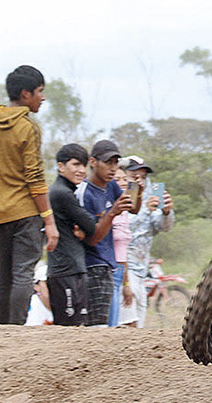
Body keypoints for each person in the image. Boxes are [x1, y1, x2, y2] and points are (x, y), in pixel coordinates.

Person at [0, 65, 57, 325]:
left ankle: (4, 332)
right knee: (23, 273)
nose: (42, 98)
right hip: (25, 213)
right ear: (25, 94)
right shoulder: (27, 127)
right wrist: (48, 218)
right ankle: (17, 331)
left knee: (4, 276)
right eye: (40, 92)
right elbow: (34, 176)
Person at [48, 143, 125, 326]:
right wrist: (111, 213)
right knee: (72, 327)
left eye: (83, 165)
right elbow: (91, 229)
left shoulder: (70, 191)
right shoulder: (62, 193)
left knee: (81, 325)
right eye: (76, 165)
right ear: (60, 166)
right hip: (65, 268)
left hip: (74, 267)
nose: (81, 170)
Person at [79, 140, 138, 327]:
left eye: (115, 163)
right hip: (92, 265)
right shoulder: (84, 192)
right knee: (98, 327)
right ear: (93, 162)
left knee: (109, 326)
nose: (112, 168)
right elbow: (92, 239)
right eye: (108, 163)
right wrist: (112, 212)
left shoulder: (111, 186)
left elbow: (133, 207)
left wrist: (137, 188)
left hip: (109, 265)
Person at [121, 156, 174, 328]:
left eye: (143, 176)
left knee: (140, 315)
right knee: (129, 319)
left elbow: (162, 227)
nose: (139, 180)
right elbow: (124, 228)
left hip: (142, 266)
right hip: (124, 265)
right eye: (134, 176)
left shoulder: (151, 196)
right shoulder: (120, 195)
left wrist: (166, 212)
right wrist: (145, 210)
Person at [110, 167, 135, 327]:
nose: (122, 183)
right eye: (117, 179)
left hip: (121, 270)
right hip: (111, 271)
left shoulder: (125, 212)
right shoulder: (110, 210)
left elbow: (123, 253)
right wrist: (126, 285)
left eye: (124, 179)